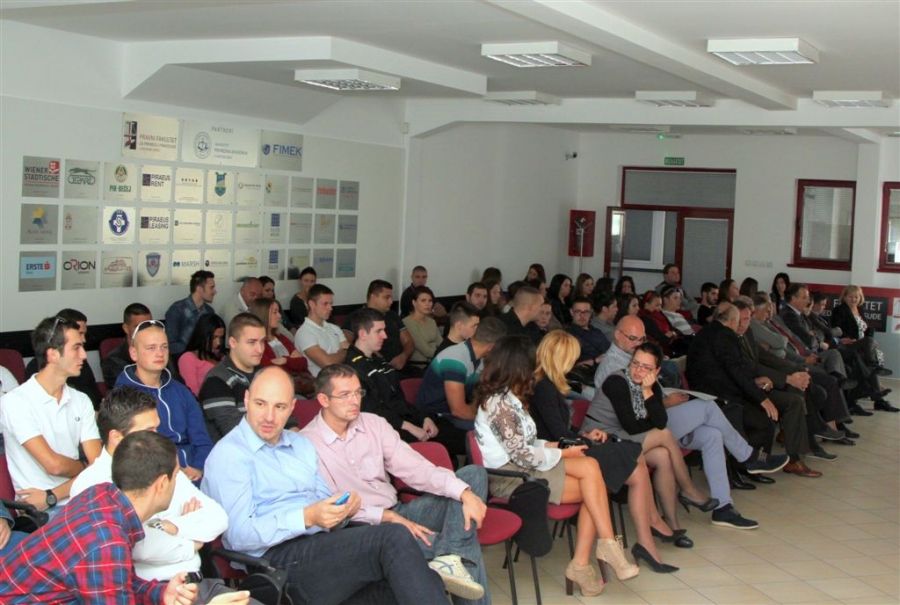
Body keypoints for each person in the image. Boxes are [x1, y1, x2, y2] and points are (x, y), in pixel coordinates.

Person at [202, 366, 448, 605]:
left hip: (322, 550)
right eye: (260, 404)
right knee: (393, 539)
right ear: (246, 400)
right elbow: (239, 536)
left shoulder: (300, 445)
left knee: (422, 581)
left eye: (279, 407)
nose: (269, 416)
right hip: (276, 563)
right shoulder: (229, 455)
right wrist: (306, 517)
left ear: (292, 407)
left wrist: (344, 510)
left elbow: (322, 502)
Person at [303, 364, 489, 603]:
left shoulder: (374, 424)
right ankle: (453, 556)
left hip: (400, 510)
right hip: (362, 528)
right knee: (467, 544)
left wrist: (464, 494)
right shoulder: (307, 443)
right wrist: (386, 517)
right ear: (323, 400)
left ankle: (450, 555)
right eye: (345, 395)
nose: (355, 401)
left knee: (474, 475)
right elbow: (330, 508)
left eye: (358, 393)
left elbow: (416, 469)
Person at [473, 335, 639, 597]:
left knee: (591, 469)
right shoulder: (499, 404)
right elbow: (523, 455)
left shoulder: (508, 398)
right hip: (511, 478)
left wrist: (557, 448)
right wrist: (562, 453)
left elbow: (528, 444)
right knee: (595, 485)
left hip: (523, 467)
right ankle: (592, 557)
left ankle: (599, 551)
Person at [530, 331, 676, 573]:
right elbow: (558, 435)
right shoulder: (544, 388)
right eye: (572, 358)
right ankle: (646, 540)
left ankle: (646, 540)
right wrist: (583, 439)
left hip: (565, 450)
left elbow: (560, 432)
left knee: (634, 459)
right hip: (558, 456)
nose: (574, 363)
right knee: (634, 459)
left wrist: (586, 436)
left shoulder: (548, 385)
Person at [70, 387, 232, 594]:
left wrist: (174, 525)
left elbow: (218, 517)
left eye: (157, 428)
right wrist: (192, 544)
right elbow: (139, 547)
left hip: (198, 582)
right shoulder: (91, 484)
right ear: (116, 437)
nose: (158, 436)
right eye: (149, 430)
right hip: (149, 592)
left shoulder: (160, 460)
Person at [593, 343, 720, 534]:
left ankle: (672, 524)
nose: (638, 370)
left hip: (624, 438)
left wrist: (647, 392)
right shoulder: (616, 382)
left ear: (657, 370)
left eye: (646, 367)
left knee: (663, 455)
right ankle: (688, 489)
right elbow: (633, 426)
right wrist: (650, 414)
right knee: (664, 435)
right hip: (601, 438)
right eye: (635, 363)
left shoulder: (651, 386)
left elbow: (660, 421)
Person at [688, 304, 820, 478]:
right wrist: (762, 398)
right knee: (763, 418)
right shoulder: (725, 336)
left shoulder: (713, 332)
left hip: (724, 392)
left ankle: (756, 464)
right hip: (719, 398)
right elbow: (736, 370)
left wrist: (763, 381)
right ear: (733, 321)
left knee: (767, 418)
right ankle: (747, 464)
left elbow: (741, 367)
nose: (743, 324)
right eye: (741, 320)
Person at [0, 316, 101, 511]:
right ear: (53, 354)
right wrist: (84, 466)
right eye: (76, 348)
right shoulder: (15, 401)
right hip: (40, 510)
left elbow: (98, 468)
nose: (84, 355)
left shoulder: (81, 400)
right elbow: (54, 465)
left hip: (76, 498)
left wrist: (52, 496)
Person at [116, 320, 213, 482]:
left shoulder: (180, 390)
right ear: (133, 353)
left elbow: (202, 439)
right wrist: (175, 472)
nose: (160, 353)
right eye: (151, 348)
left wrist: (198, 468)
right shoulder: (124, 395)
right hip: (153, 478)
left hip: (196, 473)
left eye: (164, 347)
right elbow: (135, 452)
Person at [416, 317, 507, 458]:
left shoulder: (480, 359)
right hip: (433, 418)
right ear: (492, 347)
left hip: (451, 415)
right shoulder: (455, 359)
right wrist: (491, 418)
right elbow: (458, 410)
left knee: (501, 428)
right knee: (494, 435)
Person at [347, 308, 438, 443]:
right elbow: (371, 411)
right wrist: (408, 426)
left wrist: (423, 417)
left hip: (398, 419)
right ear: (363, 334)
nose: (385, 336)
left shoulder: (378, 360)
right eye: (379, 331)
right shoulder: (353, 369)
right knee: (437, 443)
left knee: (441, 430)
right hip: (380, 429)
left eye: (384, 330)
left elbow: (397, 400)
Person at [198, 313, 278, 442]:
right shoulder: (216, 381)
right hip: (238, 451)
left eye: (262, 342)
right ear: (233, 343)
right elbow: (235, 433)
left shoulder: (266, 375)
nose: (260, 349)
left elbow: (287, 419)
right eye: (252, 342)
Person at [830, 285, 896, 412]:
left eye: (856, 297)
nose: (854, 299)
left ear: (860, 298)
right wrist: (844, 338)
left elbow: (867, 329)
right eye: (850, 297)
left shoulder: (860, 309)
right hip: (848, 345)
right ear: (844, 297)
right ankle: (877, 393)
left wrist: (870, 340)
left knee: (870, 350)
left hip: (862, 345)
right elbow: (835, 329)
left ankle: (879, 401)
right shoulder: (839, 310)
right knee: (871, 362)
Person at [23, 308, 102, 409]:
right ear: (53, 354)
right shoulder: (17, 403)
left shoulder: (82, 400)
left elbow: (95, 398)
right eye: (79, 333)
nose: (84, 339)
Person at [345, 280, 415, 373]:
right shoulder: (356, 317)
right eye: (386, 297)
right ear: (373, 297)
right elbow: (346, 343)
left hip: (401, 366)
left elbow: (408, 341)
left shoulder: (393, 315)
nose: (391, 301)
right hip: (373, 368)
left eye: (391, 297)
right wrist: (374, 355)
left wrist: (404, 356)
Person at [249, 297, 312, 395]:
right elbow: (271, 369)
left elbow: (303, 362)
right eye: (275, 312)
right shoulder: (257, 344)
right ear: (263, 315)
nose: (279, 316)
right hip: (279, 390)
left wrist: (285, 360)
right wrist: (293, 361)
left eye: (278, 312)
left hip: (301, 385)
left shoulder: (281, 338)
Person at [294, 284, 349, 376]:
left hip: (341, 377)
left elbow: (350, 354)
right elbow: (327, 363)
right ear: (312, 304)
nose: (330, 308)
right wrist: (344, 352)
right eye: (325, 304)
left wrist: (341, 354)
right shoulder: (304, 333)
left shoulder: (334, 328)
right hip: (320, 382)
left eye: (331, 304)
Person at [165, 270, 217, 357]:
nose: (215, 291)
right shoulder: (176, 310)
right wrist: (193, 353)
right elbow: (171, 346)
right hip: (182, 360)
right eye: (211, 287)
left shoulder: (209, 312)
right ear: (199, 289)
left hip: (205, 358)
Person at [102, 302, 152, 389]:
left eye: (147, 325)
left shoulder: (160, 351)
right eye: (138, 327)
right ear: (126, 328)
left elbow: (174, 380)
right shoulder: (113, 361)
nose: (144, 330)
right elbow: (129, 392)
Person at [178, 314, 226, 396]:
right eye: (214, 338)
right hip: (206, 401)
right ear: (203, 336)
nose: (218, 343)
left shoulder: (222, 357)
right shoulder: (188, 358)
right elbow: (192, 393)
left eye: (221, 338)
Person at [567, 297, 610, 372]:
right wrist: (595, 360)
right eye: (578, 311)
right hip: (586, 374)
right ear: (571, 312)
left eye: (586, 312)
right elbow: (569, 367)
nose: (582, 315)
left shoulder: (597, 332)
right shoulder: (568, 336)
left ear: (591, 313)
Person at [403, 286, 444, 365]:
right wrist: (434, 346)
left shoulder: (432, 321)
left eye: (430, 301)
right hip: (418, 365)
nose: (427, 304)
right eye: (423, 300)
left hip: (435, 362)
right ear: (414, 303)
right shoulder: (407, 322)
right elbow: (426, 351)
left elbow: (441, 344)